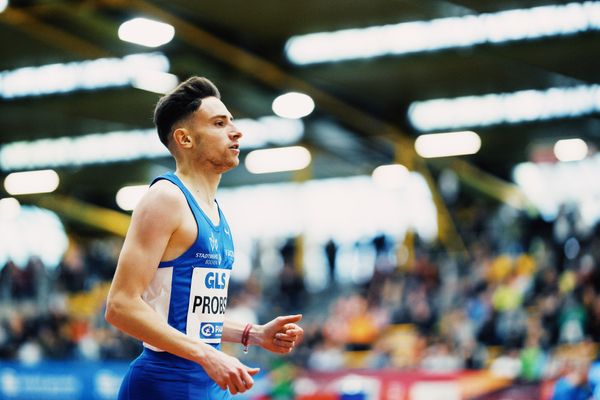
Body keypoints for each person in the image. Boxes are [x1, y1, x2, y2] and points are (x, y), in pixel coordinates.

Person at [105, 76, 304, 399]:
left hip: (209, 382)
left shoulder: (213, 210)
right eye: (219, 123)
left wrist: (253, 334)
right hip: (164, 382)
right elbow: (120, 305)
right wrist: (207, 354)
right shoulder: (165, 199)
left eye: (232, 122)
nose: (236, 131)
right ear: (184, 139)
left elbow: (187, 318)